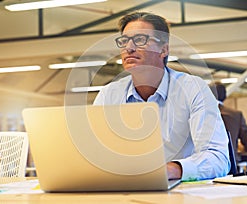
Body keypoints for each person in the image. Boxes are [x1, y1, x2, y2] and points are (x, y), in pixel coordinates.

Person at [93, 11, 230, 181]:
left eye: (140, 40)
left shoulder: (193, 89)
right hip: (124, 188)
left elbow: (218, 159)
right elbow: (94, 152)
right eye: (124, 41)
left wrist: (169, 171)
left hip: (181, 191)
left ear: (163, 49)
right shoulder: (108, 94)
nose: (129, 48)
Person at [209, 82, 247, 169]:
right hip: (230, 164)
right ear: (225, 97)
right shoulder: (236, 115)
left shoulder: (200, 114)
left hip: (206, 166)